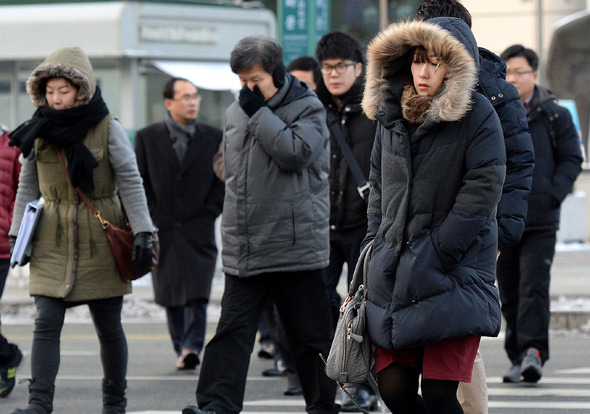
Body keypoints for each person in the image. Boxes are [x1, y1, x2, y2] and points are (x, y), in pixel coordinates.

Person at [182, 35, 338, 414]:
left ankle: (322, 405)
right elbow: (227, 164)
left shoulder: (308, 107)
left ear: (277, 73)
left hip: (295, 246)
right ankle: (217, 405)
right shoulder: (237, 110)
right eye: (242, 81)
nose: (248, 89)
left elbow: (296, 153)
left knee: (309, 336)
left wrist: (259, 114)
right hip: (245, 246)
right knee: (232, 332)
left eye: (256, 80)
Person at [361, 17, 506, 414]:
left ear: (455, 67)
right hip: (394, 272)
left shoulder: (478, 116)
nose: (424, 72)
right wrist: (376, 244)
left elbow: (482, 190)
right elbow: (378, 189)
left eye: (437, 62)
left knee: (442, 395)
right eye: (418, 60)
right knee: (393, 390)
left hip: (451, 271)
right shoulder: (391, 116)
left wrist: (438, 252)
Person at [7, 46, 154, 414]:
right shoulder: (39, 129)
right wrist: (16, 235)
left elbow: (131, 181)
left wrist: (142, 232)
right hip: (51, 239)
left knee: (109, 328)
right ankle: (39, 404)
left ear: (81, 90)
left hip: (101, 239)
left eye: (64, 91)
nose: (56, 99)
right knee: (45, 323)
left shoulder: (108, 126)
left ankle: (115, 402)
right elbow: (28, 183)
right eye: (51, 91)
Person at [413, 1, 535, 412]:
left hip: (473, 235)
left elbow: (518, 163)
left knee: (458, 341)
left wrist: (502, 234)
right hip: (416, 234)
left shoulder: (495, 91)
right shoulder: (408, 87)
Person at [498, 44, 583, 384]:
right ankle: (516, 355)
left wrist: (553, 193)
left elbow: (572, 159)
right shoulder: (497, 112)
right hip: (504, 220)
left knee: (534, 286)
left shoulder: (554, 115)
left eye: (520, 71)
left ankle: (533, 352)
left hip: (540, 220)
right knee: (509, 291)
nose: (513, 78)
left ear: (534, 74)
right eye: (507, 72)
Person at [134, 78, 224, 371]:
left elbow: (223, 180)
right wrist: (149, 216)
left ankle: (191, 346)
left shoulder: (213, 136)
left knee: (198, 291)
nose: (192, 102)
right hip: (163, 227)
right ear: (169, 103)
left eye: (195, 96)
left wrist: (211, 210)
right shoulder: (148, 137)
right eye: (185, 97)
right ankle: (181, 346)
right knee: (171, 292)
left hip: (199, 225)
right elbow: (140, 182)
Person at [315, 31, 378, 412]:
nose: (333, 74)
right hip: (322, 225)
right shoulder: (314, 111)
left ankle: (364, 384)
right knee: (321, 302)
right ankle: (332, 377)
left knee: (363, 308)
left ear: (359, 67)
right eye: (327, 67)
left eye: (341, 66)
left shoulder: (374, 110)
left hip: (362, 225)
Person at [0, 125, 23, 398]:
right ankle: (7, 356)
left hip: (1, 246)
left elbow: (24, 191)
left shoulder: (12, 144)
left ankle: (7, 356)